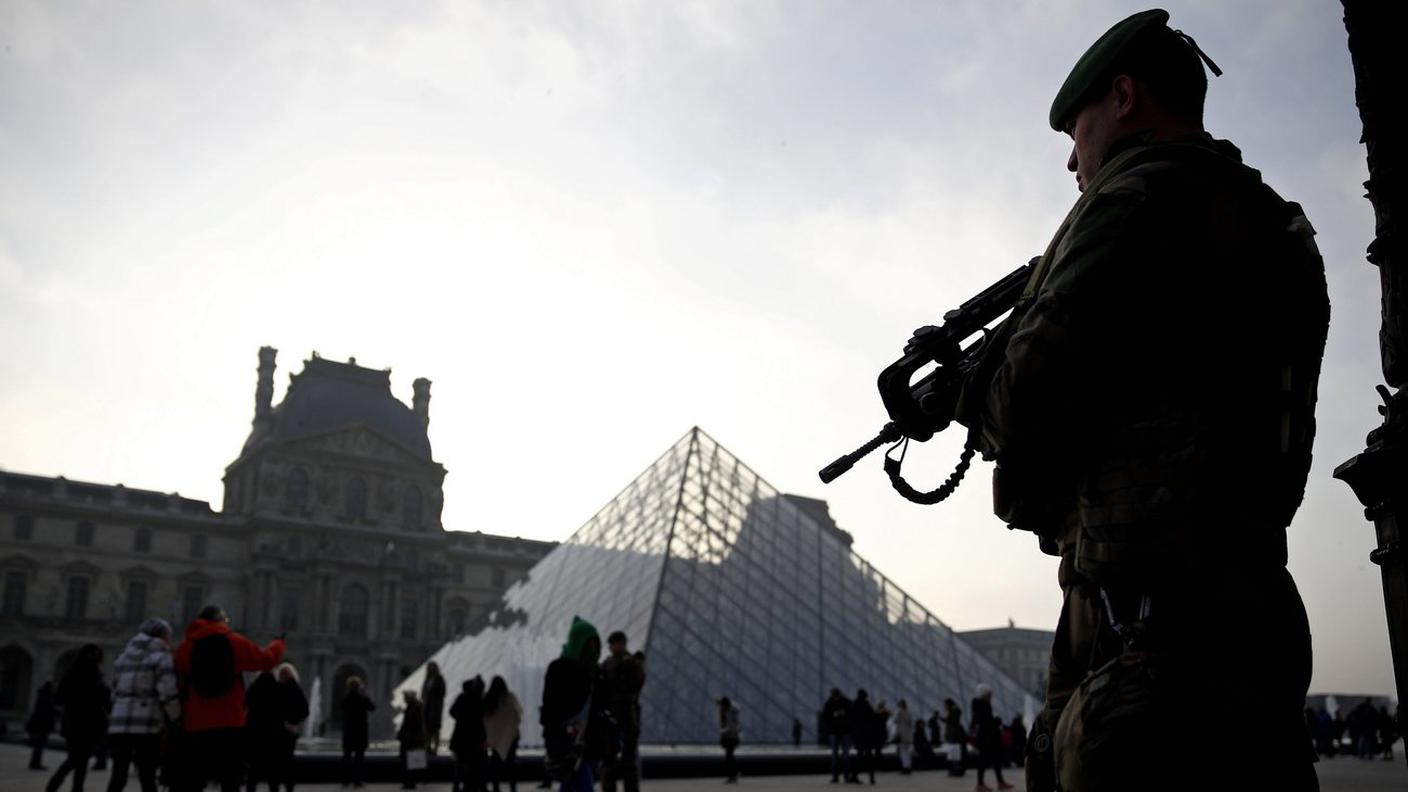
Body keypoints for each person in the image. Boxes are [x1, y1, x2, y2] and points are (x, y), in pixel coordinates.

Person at [952, 8, 1328, 792]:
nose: (1072, 163)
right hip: (1252, 604)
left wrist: (967, 394)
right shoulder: (1275, 223)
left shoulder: (1133, 201)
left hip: (1146, 633)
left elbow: (1025, 398)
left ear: (1123, 97)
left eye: (1075, 131)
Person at [173, 606, 286, 792]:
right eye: (226, 620)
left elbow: (179, 684)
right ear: (218, 620)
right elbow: (266, 660)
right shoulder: (234, 642)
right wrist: (278, 643)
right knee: (231, 778)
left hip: (196, 722)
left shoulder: (185, 648)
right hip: (229, 720)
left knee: (195, 780)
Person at [107, 619, 181, 792]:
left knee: (118, 774)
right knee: (147, 774)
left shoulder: (123, 657)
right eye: (168, 634)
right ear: (162, 635)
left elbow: (114, 687)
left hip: (119, 722)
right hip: (146, 723)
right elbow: (167, 692)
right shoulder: (162, 657)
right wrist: (176, 717)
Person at [540, 617, 601, 792]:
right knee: (580, 780)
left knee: (572, 780)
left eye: (595, 644)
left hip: (586, 738)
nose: (593, 649)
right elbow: (550, 704)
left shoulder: (595, 670)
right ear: (578, 642)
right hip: (565, 736)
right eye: (589, 644)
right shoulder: (559, 668)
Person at [45, 644, 111, 792]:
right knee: (78, 758)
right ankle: (56, 784)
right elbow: (103, 699)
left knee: (79, 759)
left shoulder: (72, 672)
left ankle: (75, 787)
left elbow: (59, 697)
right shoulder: (94, 674)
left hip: (74, 722)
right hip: (88, 723)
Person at [244, 663, 309, 792]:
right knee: (275, 769)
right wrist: (290, 722)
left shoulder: (255, 687)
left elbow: (246, 705)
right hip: (277, 733)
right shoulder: (276, 688)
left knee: (255, 767)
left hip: (259, 733)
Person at [599, 631, 645, 792]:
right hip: (616, 714)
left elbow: (636, 684)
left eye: (613, 644)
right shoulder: (611, 663)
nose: (610, 648)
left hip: (625, 713)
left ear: (621, 644)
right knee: (610, 759)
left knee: (625, 760)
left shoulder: (631, 664)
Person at [484, 676, 523, 792]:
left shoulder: (488, 699)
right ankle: (513, 787)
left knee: (495, 765)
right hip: (510, 737)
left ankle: (496, 787)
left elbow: (485, 719)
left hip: (495, 738)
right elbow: (518, 714)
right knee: (511, 764)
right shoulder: (510, 698)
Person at [969, 685, 1010, 791]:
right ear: (984, 695)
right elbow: (986, 723)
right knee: (985, 760)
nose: (991, 697)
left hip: (986, 738)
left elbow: (977, 723)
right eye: (989, 695)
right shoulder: (983, 706)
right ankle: (981, 784)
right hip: (987, 739)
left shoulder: (978, 705)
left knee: (994, 760)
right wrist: (996, 721)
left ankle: (999, 783)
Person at [449, 677, 487, 792]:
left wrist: (461, 719)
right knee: (475, 762)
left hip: (461, 735)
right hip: (476, 736)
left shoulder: (462, 698)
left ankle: (458, 784)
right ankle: (473, 785)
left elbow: (452, 711)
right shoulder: (479, 699)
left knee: (460, 762)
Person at [340, 677, 375, 788]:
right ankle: (357, 780)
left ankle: (346, 780)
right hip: (360, 732)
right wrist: (364, 694)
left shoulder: (346, 697)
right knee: (358, 758)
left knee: (347, 757)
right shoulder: (362, 697)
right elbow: (372, 707)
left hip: (349, 732)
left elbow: (342, 705)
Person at [398, 690, 429, 790]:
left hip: (411, 738)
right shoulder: (415, 707)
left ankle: (409, 782)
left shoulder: (414, 708)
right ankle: (410, 782)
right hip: (412, 738)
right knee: (410, 760)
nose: (404, 699)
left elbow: (412, 724)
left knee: (408, 761)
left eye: (405, 697)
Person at [822, 688, 853, 783]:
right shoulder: (845, 702)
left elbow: (825, 718)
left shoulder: (831, 702)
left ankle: (839, 777)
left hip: (839, 732)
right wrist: (834, 715)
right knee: (842, 756)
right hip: (841, 732)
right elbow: (825, 717)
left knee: (839, 756)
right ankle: (843, 777)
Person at [27, 679, 58, 770]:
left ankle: (35, 762)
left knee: (39, 745)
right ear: (50, 687)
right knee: (39, 745)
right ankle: (35, 763)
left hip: (42, 725)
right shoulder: (45, 697)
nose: (55, 688)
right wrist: (54, 712)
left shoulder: (45, 696)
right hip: (42, 726)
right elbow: (44, 712)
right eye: (54, 687)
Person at [849, 690, 877, 785]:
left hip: (858, 734)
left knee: (860, 755)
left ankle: (854, 775)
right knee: (869, 756)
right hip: (867, 734)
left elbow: (851, 719)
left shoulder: (854, 705)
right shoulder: (866, 704)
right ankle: (871, 777)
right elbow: (873, 716)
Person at [423, 662, 448, 755]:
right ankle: (428, 746)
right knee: (427, 728)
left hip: (436, 708)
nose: (431, 670)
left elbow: (443, 692)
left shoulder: (439, 679)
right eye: (430, 668)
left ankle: (435, 748)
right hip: (427, 708)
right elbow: (424, 692)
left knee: (436, 728)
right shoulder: (427, 679)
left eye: (433, 668)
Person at [717, 697, 741, 784]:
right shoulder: (733, 711)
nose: (720, 707)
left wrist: (722, 731)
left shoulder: (730, 713)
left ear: (725, 705)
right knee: (730, 755)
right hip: (733, 737)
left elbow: (731, 727)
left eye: (722, 705)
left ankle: (733, 775)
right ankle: (734, 774)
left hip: (731, 737)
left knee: (729, 756)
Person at [942, 699, 966, 778]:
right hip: (956, 734)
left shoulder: (952, 711)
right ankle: (957, 769)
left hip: (953, 734)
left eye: (945, 704)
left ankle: (955, 769)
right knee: (956, 752)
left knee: (953, 752)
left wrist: (941, 718)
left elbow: (947, 720)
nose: (944, 706)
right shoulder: (956, 710)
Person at [893, 700, 914, 775]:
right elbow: (910, 722)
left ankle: (905, 768)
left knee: (903, 753)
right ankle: (908, 767)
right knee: (907, 752)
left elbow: (895, 720)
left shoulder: (899, 712)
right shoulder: (909, 712)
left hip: (902, 735)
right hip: (908, 735)